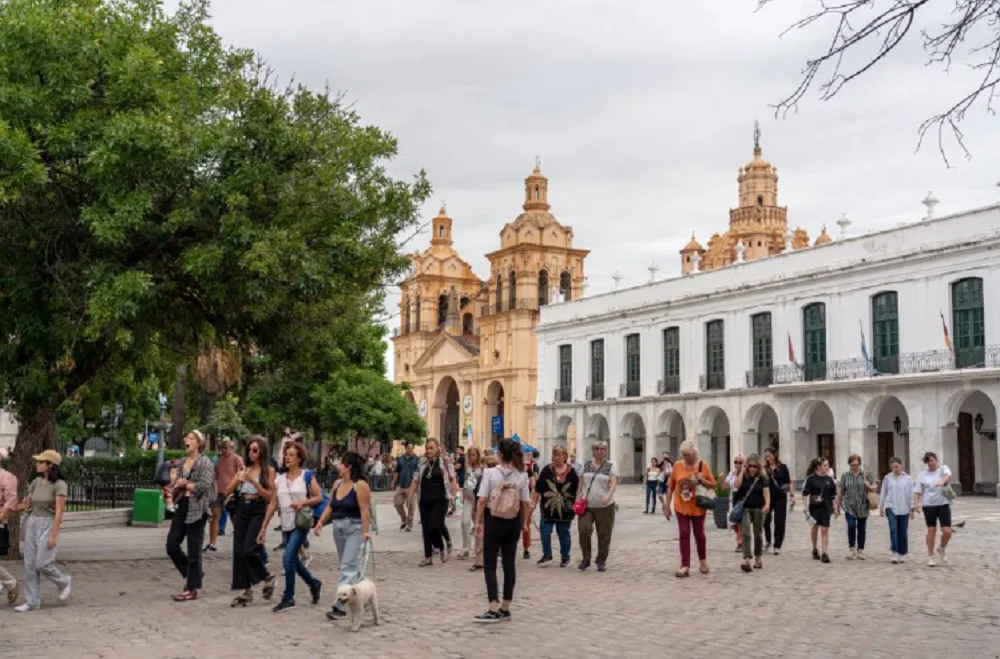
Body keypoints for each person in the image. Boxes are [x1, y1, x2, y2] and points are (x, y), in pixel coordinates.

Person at [473, 437, 531, 623]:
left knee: (490, 564)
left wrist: (478, 522)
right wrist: (525, 523)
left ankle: (493, 606)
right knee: (509, 563)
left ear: (500, 454)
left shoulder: (490, 473)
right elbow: (526, 502)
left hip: (494, 520)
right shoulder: (521, 475)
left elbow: (482, 500)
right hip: (513, 521)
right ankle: (506, 607)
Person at [262, 442, 323, 613]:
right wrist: (264, 526)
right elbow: (273, 503)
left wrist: (302, 502)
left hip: (301, 522)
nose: (287, 457)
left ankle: (288, 598)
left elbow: (318, 497)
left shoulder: (307, 476)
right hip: (286, 524)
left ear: (299, 458)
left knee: (288, 557)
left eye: (291, 455)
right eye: (286, 454)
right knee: (294, 561)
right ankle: (314, 584)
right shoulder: (280, 479)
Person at [315, 451, 372, 621]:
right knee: (349, 566)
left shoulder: (360, 485)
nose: (339, 466)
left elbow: (364, 510)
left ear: (349, 467)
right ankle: (364, 594)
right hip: (338, 527)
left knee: (348, 566)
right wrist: (320, 522)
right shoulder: (337, 484)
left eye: (341, 463)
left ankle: (340, 605)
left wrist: (366, 532)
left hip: (355, 527)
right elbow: (330, 506)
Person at [11, 450, 72, 612]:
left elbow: (59, 511)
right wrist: (10, 508)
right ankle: (32, 601)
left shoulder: (60, 485)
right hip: (32, 522)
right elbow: (27, 504)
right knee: (29, 564)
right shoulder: (36, 482)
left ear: (50, 465)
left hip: (48, 524)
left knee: (42, 563)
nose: (37, 464)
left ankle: (63, 581)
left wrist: (53, 535)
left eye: (40, 462)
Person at [225, 436, 276, 607]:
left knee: (248, 549)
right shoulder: (244, 469)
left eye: (255, 450)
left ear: (262, 452)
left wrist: (254, 482)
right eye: (249, 450)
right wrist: (237, 481)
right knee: (239, 551)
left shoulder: (269, 471)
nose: (251, 453)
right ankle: (246, 591)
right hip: (242, 508)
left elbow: (269, 496)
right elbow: (227, 491)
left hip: (257, 508)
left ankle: (266, 576)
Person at [165, 430, 215, 601]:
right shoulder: (183, 461)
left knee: (194, 551)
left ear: (199, 443)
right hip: (183, 506)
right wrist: (175, 483)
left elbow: (203, 485)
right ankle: (195, 574)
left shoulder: (205, 462)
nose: (187, 440)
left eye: (191, 438)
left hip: (198, 508)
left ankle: (192, 588)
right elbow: (177, 482)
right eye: (186, 437)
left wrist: (185, 484)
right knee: (172, 545)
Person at [664, 439, 716, 577]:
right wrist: (667, 505)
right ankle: (685, 565)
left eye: (688, 455)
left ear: (694, 454)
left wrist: (702, 480)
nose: (685, 458)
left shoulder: (702, 465)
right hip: (681, 506)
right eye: (683, 455)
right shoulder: (677, 465)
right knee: (684, 533)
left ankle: (703, 561)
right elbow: (670, 486)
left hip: (698, 506)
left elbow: (713, 484)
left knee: (699, 535)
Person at [409, 439, 458, 565]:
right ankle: (428, 556)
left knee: (434, 525)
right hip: (424, 499)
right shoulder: (422, 462)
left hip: (441, 499)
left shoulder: (444, 461)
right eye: (427, 448)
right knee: (426, 527)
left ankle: (441, 546)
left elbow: (452, 479)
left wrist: (454, 496)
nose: (429, 451)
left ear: (437, 449)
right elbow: (415, 480)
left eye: (431, 448)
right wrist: (410, 498)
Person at [532, 445, 579, 567]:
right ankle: (547, 555)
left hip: (565, 510)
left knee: (563, 533)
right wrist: (533, 503)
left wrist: (576, 504)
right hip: (547, 509)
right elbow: (538, 488)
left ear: (565, 456)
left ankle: (565, 557)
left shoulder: (572, 472)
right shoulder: (546, 470)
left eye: (559, 455)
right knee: (545, 531)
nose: (557, 457)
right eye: (555, 455)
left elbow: (577, 490)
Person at [575, 440, 617, 572]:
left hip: (605, 507)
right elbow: (580, 483)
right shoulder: (586, 465)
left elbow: (613, 484)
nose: (600, 451)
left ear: (606, 451)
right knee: (583, 529)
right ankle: (586, 558)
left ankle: (601, 561)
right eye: (597, 448)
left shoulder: (610, 466)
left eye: (602, 449)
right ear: (593, 451)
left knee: (604, 534)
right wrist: (577, 498)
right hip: (587, 505)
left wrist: (608, 495)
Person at [914, 451, 953, 567]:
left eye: (932, 460)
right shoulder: (922, 475)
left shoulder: (943, 469)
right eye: (928, 461)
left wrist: (942, 481)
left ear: (936, 460)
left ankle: (942, 547)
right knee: (931, 530)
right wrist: (916, 504)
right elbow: (918, 491)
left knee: (947, 531)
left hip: (943, 503)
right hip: (928, 505)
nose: (930, 463)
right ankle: (930, 556)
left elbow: (948, 476)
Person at [733, 453, 770, 573]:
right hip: (745, 508)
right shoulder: (744, 475)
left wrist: (767, 504)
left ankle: (758, 558)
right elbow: (736, 485)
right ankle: (747, 559)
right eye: (749, 466)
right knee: (746, 533)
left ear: (758, 467)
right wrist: (742, 472)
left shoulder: (763, 477)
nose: (752, 468)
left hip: (759, 508)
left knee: (758, 534)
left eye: (754, 466)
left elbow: (766, 492)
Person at [206, 438, 244, 553]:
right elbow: (216, 474)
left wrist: (236, 489)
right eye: (221, 448)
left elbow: (242, 474)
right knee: (215, 517)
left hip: (232, 492)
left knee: (236, 518)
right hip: (218, 491)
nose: (223, 450)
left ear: (231, 448)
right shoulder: (219, 460)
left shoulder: (237, 459)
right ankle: (212, 543)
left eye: (225, 448)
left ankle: (241, 543)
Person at [837, 453, 876, 560]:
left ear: (860, 464)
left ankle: (860, 550)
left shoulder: (866, 475)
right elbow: (840, 491)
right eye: (852, 465)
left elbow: (875, 486)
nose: (855, 467)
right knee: (851, 525)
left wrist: (869, 486)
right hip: (849, 506)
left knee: (862, 528)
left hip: (863, 505)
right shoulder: (845, 476)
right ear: (849, 464)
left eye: (857, 464)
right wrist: (837, 505)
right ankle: (852, 548)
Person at [879, 456, 915, 564]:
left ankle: (902, 553)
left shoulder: (908, 479)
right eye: (893, 467)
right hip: (891, 506)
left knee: (902, 531)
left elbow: (910, 494)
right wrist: (881, 506)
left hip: (904, 507)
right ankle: (894, 552)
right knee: (893, 529)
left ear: (901, 466)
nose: (895, 469)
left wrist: (911, 508)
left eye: (897, 466)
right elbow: (883, 492)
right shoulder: (887, 478)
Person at [802, 457, 837, 564]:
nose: (827, 467)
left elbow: (833, 495)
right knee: (815, 528)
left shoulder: (829, 480)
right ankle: (814, 548)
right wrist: (805, 506)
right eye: (825, 465)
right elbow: (805, 493)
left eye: (828, 465)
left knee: (825, 529)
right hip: (814, 507)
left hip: (826, 507)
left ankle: (825, 553)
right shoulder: (811, 479)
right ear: (818, 467)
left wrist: (835, 507)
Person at [763, 447, 790, 555]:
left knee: (779, 520)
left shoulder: (783, 467)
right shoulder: (764, 469)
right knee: (766, 520)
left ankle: (777, 545)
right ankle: (768, 540)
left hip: (780, 497)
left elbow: (788, 482)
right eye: (766, 456)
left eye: (769, 456)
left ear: (774, 455)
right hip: (767, 497)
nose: (767, 458)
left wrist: (791, 494)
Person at [458, 447, 484, 562]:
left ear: (478, 455)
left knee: (477, 523)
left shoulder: (482, 468)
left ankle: (477, 549)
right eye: (470, 455)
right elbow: (465, 480)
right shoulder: (467, 466)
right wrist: (463, 495)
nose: (471, 457)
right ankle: (466, 547)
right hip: (468, 497)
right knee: (465, 522)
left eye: (473, 455)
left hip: (477, 497)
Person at [0, 461, 19, 605]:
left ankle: (11, 583)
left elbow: (10, 503)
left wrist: (1, 518)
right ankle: (10, 583)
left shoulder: (7, 477)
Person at [391, 442, 420, 531]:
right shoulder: (400, 459)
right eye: (408, 448)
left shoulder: (416, 459)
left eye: (411, 448)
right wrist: (393, 482)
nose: (410, 449)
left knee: (410, 506)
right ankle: (404, 519)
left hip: (411, 486)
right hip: (401, 485)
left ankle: (409, 525)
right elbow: (397, 471)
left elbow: (419, 473)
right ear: (405, 448)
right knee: (397, 503)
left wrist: (417, 486)